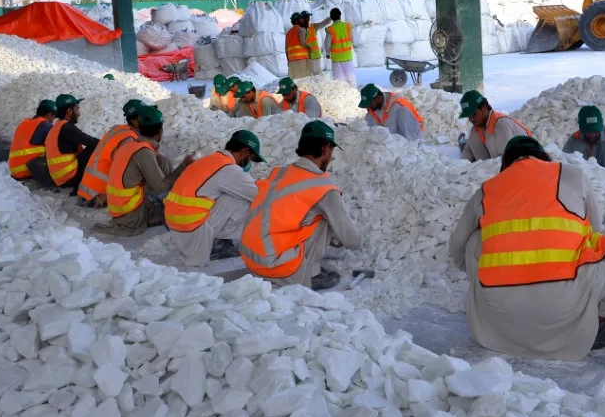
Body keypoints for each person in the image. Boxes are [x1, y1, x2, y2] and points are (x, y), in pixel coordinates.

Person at [448, 135, 605, 360]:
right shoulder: (572, 175)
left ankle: (499, 303)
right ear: (544, 158)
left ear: (505, 165)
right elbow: (596, 238)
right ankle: (603, 322)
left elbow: (456, 250)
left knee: (475, 240)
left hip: (499, 320)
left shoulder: (486, 190)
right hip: (564, 306)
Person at [240, 120, 362, 290]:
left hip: (250, 258)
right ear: (326, 148)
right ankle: (311, 272)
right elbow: (352, 240)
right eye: (331, 150)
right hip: (278, 267)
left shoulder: (280, 173)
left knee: (307, 212)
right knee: (324, 216)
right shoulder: (324, 189)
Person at [165, 130, 263, 265]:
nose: (249, 162)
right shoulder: (229, 170)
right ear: (245, 152)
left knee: (232, 192)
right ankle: (216, 244)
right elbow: (261, 194)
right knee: (244, 199)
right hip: (193, 231)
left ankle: (217, 239)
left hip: (178, 225)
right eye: (250, 158)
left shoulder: (210, 160)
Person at [105, 105, 190, 235]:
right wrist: (183, 166)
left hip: (121, 209)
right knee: (181, 210)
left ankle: (169, 202)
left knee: (161, 160)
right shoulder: (143, 152)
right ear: (160, 131)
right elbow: (161, 187)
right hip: (130, 216)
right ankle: (173, 206)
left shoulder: (131, 144)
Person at [77, 99, 147, 204]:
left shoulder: (117, 129)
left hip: (87, 190)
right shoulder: (129, 140)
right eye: (144, 115)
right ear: (134, 120)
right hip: (97, 196)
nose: (148, 118)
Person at [36, 94, 99, 192]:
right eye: (77, 109)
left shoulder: (56, 127)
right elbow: (90, 141)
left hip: (60, 177)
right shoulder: (67, 128)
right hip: (68, 177)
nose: (79, 114)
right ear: (69, 111)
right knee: (97, 148)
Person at [457, 89, 531, 161]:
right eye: (469, 116)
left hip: (528, 165)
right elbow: (467, 150)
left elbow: (505, 161)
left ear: (484, 108)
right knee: (474, 136)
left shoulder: (501, 125)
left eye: (473, 114)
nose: (471, 119)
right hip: (496, 166)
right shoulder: (478, 127)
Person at [8, 99, 56, 179]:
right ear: (49, 114)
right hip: (27, 170)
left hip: (15, 170)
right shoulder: (45, 125)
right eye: (53, 117)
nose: (52, 121)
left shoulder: (24, 123)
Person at [359, 83, 423, 142]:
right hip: (390, 145)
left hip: (411, 139)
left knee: (403, 113)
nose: (367, 107)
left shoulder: (399, 106)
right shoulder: (373, 108)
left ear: (379, 98)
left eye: (369, 103)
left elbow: (408, 134)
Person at [325, 8, 357, 86]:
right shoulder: (348, 26)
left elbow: (327, 43)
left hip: (337, 59)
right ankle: (354, 93)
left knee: (339, 81)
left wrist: (327, 53)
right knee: (351, 78)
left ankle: (342, 96)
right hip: (348, 56)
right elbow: (353, 39)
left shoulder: (330, 29)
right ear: (340, 16)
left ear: (331, 17)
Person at [285, 12, 313, 80]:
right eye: (301, 19)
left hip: (292, 60)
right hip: (302, 59)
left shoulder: (288, 33)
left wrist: (288, 60)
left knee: (295, 80)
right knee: (304, 80)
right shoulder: (301, 30)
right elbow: (303, 43)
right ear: (297, 21)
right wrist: (309, 48)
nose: (302, 20)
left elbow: (286, 48)